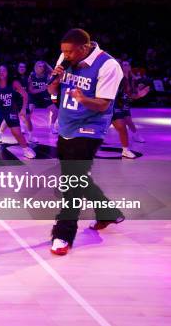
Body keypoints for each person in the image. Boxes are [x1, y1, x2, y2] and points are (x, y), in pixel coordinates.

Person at [47, 28, 125, 256]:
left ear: (84, 48)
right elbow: (52, 90)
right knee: (77, 177)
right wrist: (55, 80)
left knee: (71, 182)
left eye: (70, 52)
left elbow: (103, 104)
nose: (66, 55)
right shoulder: (66, 57)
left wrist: (83, 98)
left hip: (90, 128)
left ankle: (63, 234)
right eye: (64, 52)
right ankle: (108, 212)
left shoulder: (109, 66)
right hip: (66, 125)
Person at [111, 60, 150, 158]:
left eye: (127, 64)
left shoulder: (132, 78)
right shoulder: (119, 77)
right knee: (103, 125)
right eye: (124, 65)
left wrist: (139, 94)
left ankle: (128, 146)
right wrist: (138, 95)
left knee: (125, 123)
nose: (126, 66)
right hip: (115, 102)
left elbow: (132, 93)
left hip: (124, 102)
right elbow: (130, 93)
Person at [0, 62, 35, 143]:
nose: (22, 68)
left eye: (23, 67)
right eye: (20, 67)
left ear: (25, 69)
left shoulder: (28, 78)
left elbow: (29, 91)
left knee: (27, 118)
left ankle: (31, 136)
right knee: (7, 119)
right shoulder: (13, 77)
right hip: (12, 101)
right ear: (17, 68)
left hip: (22, 101)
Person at [28, 61, 59, 135]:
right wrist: (41, 89)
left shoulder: (47, 75)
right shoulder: (32, 75)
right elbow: (31, 91)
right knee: (29, 111)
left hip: (44, 95)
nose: (41, 68)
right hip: (34, 96)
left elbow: (54, 73)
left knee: (55, 111)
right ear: (36, 67)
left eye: (43, 66)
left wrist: (46, 64)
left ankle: (52, 127)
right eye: (40, 66)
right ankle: (26, 127)